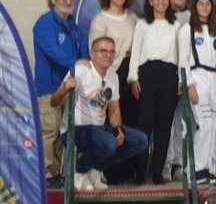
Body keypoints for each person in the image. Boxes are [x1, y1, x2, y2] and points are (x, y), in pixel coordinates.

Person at [51, 36, 148, 191]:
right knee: (109, 143)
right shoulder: (81, 70)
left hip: (99, 131)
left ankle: (94, 168)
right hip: (75, 130)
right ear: (92, 54)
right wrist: (64, 88)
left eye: (111, 52)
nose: (107, 55)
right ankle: (78, 170)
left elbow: (114, 109)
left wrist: (119, 130)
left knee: (140, 141)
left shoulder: (113, 77)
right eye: (102, 51)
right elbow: (54, 102)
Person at [33, 0, 89, 188]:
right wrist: (76, 63)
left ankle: (64, 174)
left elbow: (84, 51)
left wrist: (89, 67)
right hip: (50, 88)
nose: (67, 2)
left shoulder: (74, 25)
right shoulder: (44, 24)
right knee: (51, 131)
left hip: (72, 88)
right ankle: (49, 174)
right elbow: (53, 51)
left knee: (67, 132)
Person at [88, 0, 139, 183]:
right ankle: (111, 172)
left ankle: (128, 171)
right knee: (112, 126)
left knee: (131, 124)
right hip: (111, 76)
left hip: (131, 76)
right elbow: (97, 51)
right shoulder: (100, 19)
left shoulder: (133, 18)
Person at [128, 0, 180, 185]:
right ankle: (140, 173)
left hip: (169, 75)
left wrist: (182, 80)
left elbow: (181, 55)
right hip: (146, 75)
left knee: (164, 127)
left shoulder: (175, 26)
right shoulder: (142, 24)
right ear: (150, 1)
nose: (160, 2)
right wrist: (133, 78)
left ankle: (158, 172)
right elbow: (135, 52)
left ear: (169, 2)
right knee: (144, 125)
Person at [178, 0, 216, 184]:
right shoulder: (187, 29)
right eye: (201, 3)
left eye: (208, 3)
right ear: (194, 7)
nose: (204, 7)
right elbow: (183, 60)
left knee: (213, 125)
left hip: (214, 79)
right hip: (197, 77)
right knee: (203, 125)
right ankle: (195, 169)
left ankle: (210, 167)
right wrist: (189, 85)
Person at [164, 0, 191, 181]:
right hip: (165, 74)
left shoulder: (193, 18)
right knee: (165, 121)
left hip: (186, 75)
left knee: (181, 122)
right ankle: (163, 164)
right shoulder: (159, 15)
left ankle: (178, 164)